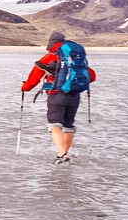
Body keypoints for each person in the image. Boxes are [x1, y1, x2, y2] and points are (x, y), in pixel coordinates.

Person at [20, 30, 97, 165]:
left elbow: (34, 78)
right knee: (68, 126)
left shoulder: (50, 57)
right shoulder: (75, 57)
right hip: (74, 95)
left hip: (56, 95)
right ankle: (63, 154)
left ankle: (62, 155)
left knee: (55, 125)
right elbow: (92, 76)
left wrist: (24, 87)